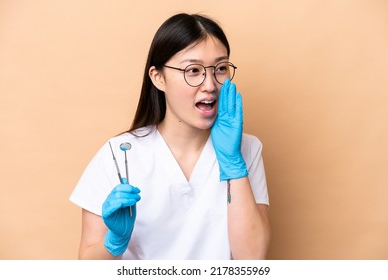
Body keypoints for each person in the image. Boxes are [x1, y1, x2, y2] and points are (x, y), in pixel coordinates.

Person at [69, 13, 270, 260]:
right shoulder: (118, 155)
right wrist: (114, 242)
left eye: (220, 69)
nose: (210, 84)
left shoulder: (246, 149)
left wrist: (232, 163)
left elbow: (252, 260)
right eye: (193, 70)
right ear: (158, 77)